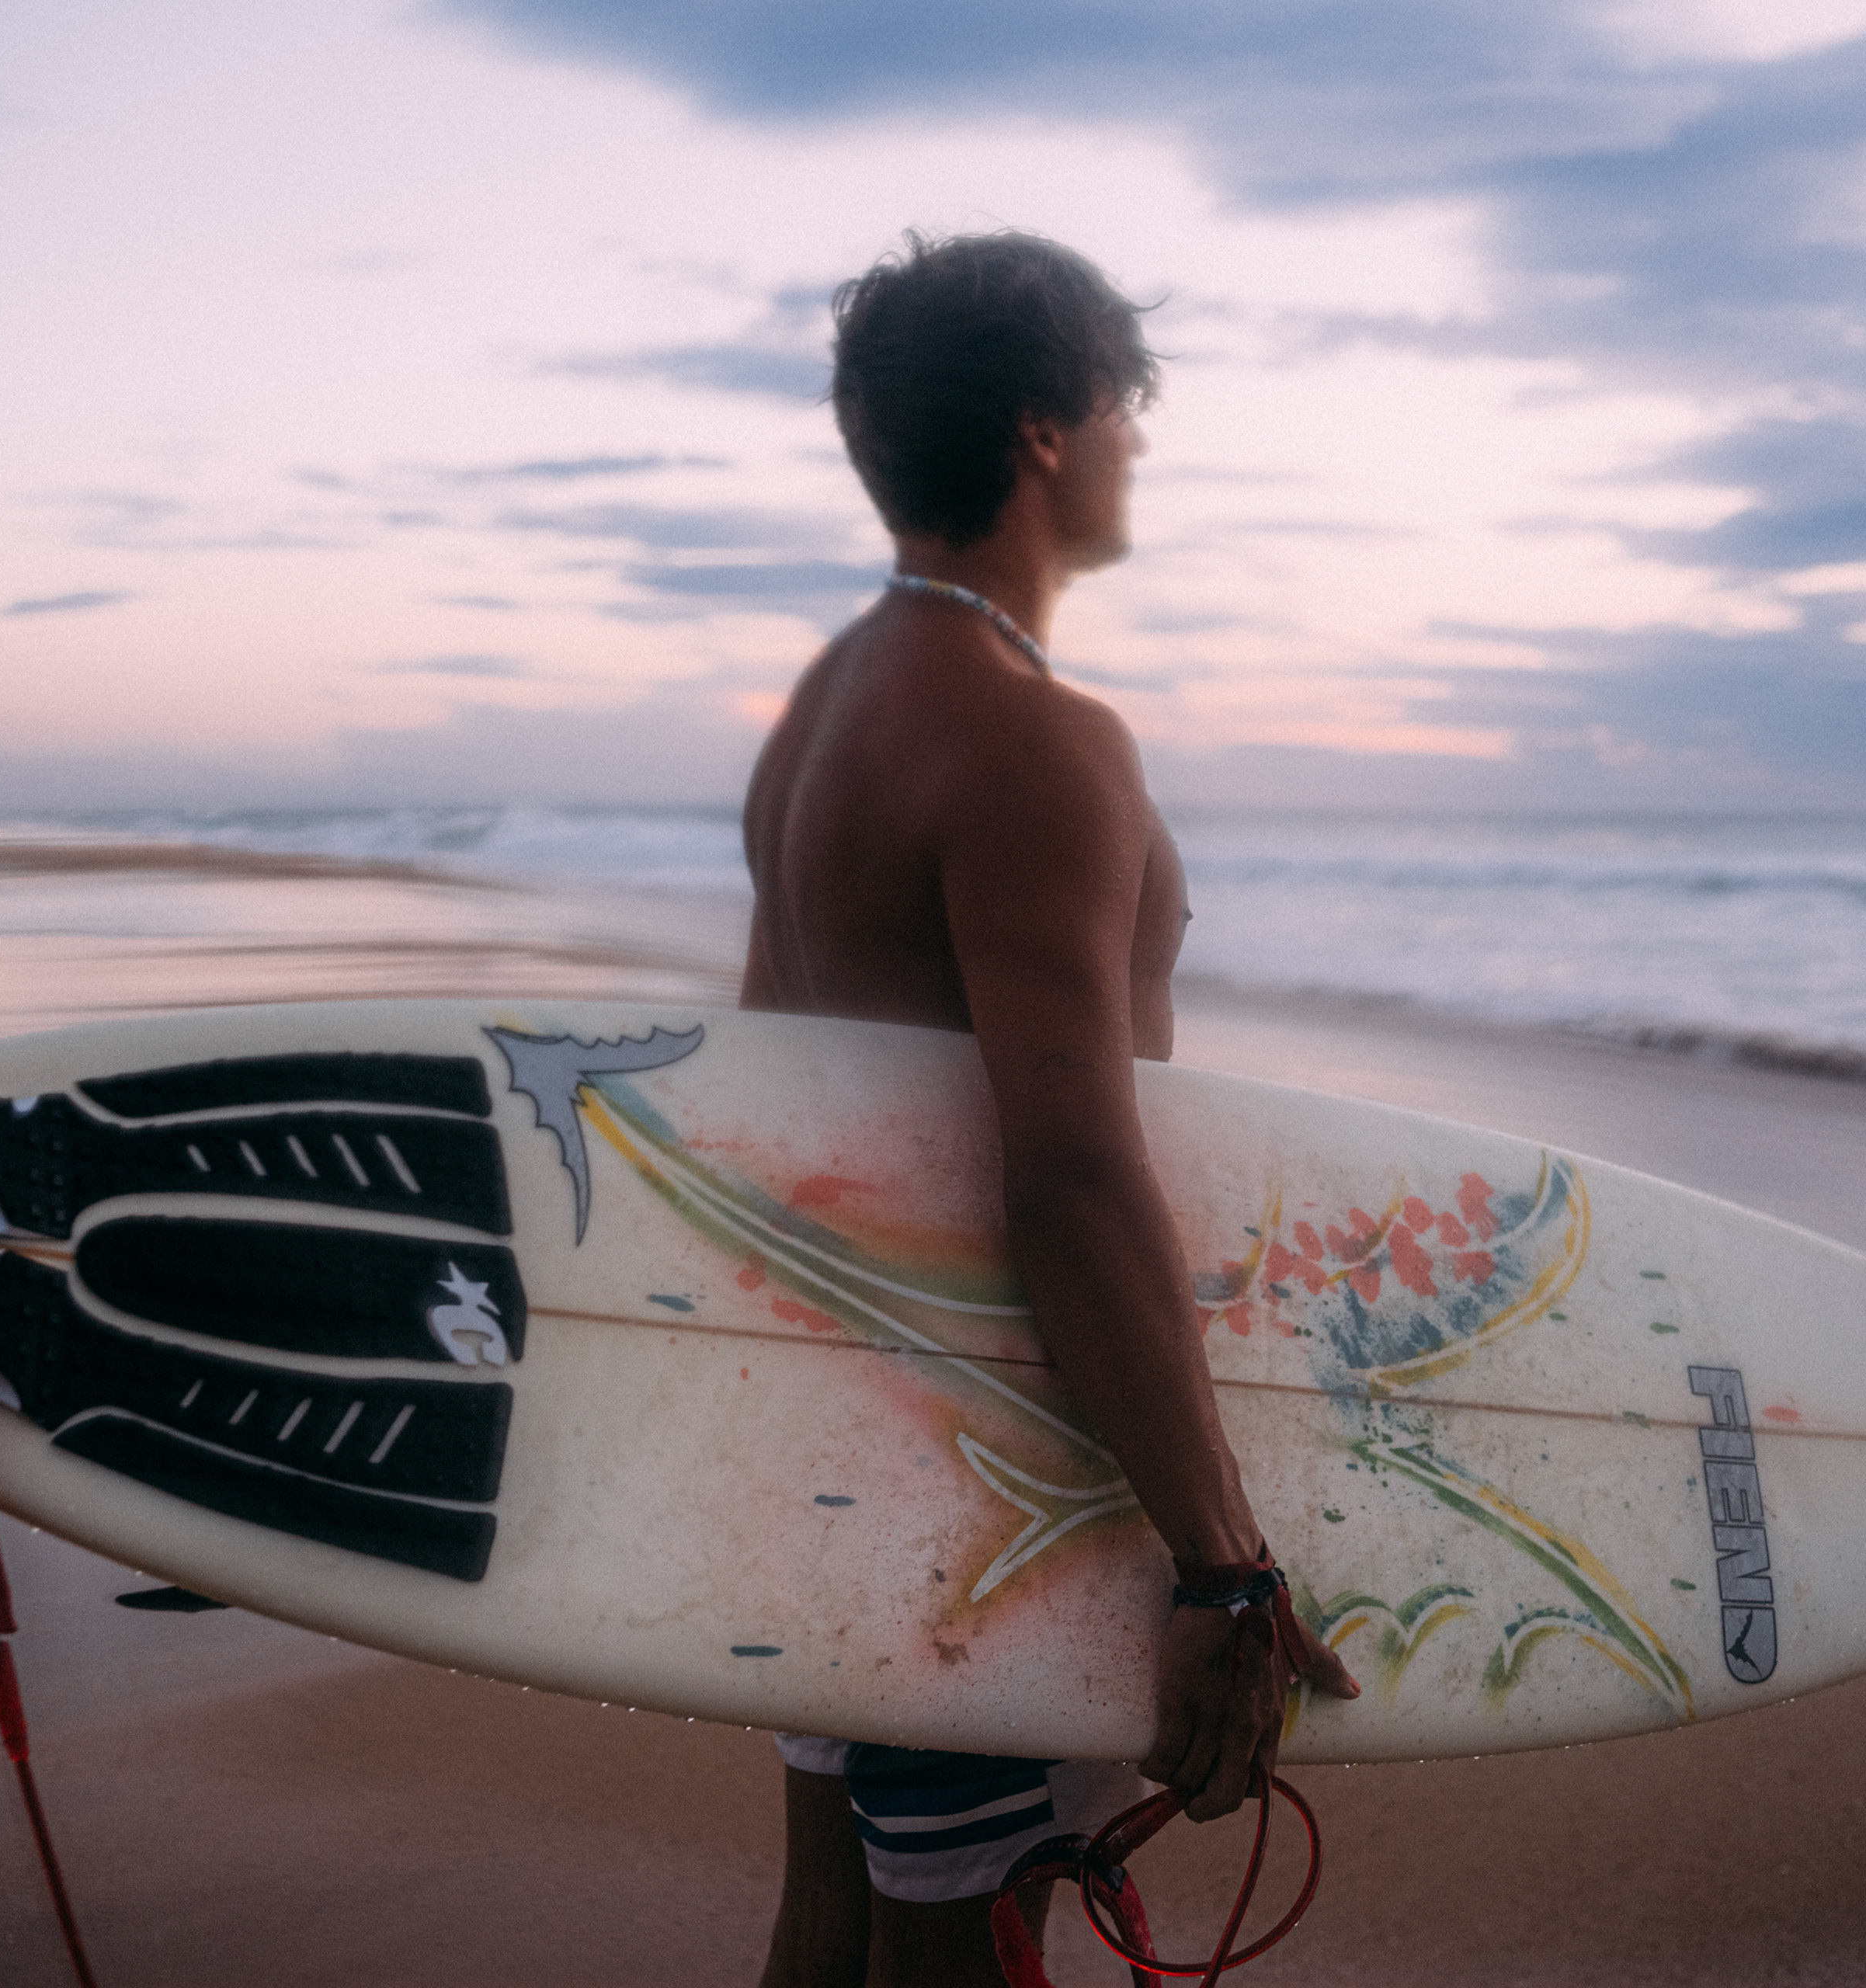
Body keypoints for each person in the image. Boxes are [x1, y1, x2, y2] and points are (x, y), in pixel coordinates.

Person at [742, 232, 1360, 1988]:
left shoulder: (828, 712)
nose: (1137, 446)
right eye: (1122, 408)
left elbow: (761, 1108)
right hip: (993, 1465)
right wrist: (1220, 1564)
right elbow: (1077, 1175)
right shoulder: (1031, 738)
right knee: (958, 1956)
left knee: (830, 1941)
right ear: (1042, 429)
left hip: (843, 1446)